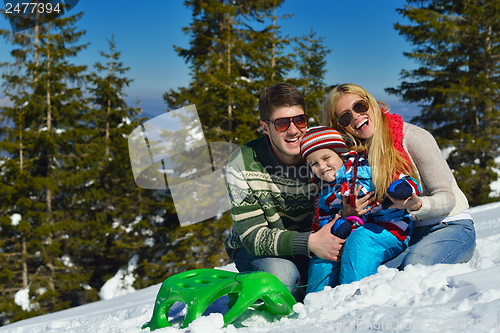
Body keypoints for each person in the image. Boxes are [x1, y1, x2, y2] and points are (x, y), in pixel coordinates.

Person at [322, 83, 476, 269]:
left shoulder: (412, 137)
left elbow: (447, 197)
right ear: (340, 127)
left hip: (450, 225)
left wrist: (418, 204)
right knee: (374, 274)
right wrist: (347, 213)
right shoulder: (356, 157)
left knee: (414, 266)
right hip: (404, 233)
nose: (356, 117)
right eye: (345, 117)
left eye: (359, 106)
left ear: (371, 103)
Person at [223, 82, 345, 301]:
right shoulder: (242, 161)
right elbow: (252, 236)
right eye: (281, 124)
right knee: (283, 276)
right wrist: (311, 242)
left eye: (300, 120)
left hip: (314, 244)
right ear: (265, 127)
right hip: (260, 250)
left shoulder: (320, 156)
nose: (293, 130)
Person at [300, 126, 420, 293]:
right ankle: (315, 304)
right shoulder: (324, 192)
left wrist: (403, 189)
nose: (321, 166)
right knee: (325, 254)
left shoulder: (366, 168)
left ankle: (354, 297)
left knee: (360, 239)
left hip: (390, 228)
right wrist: (337, 224)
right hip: (351, 232)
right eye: (314, 164)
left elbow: (403, 179)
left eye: (326, 157)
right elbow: (322, 221)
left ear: (340, 153)